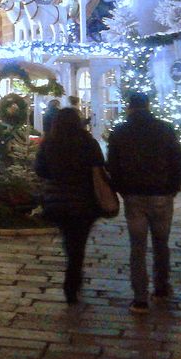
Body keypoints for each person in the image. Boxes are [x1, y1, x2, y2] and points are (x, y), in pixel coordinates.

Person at [107, 92, 181, 314]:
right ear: (148, 105)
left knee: (138, 246)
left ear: (129, 107)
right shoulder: (164, 129)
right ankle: (161, 286)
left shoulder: (120, 131)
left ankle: (140, 298)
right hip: (161, 193)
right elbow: (178, 160)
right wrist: (173, 187)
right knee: (162, 243)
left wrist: (122, 188)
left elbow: (112, 165)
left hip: (134, 195)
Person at [34, 107, 106, 304]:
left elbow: (40, 170)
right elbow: (99, 166)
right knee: (78, 243)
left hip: (58, 201)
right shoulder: (88, 143)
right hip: (84, 201)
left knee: (69, 240)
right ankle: (73, 280)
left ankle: (72, 279)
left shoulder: (50, 143)